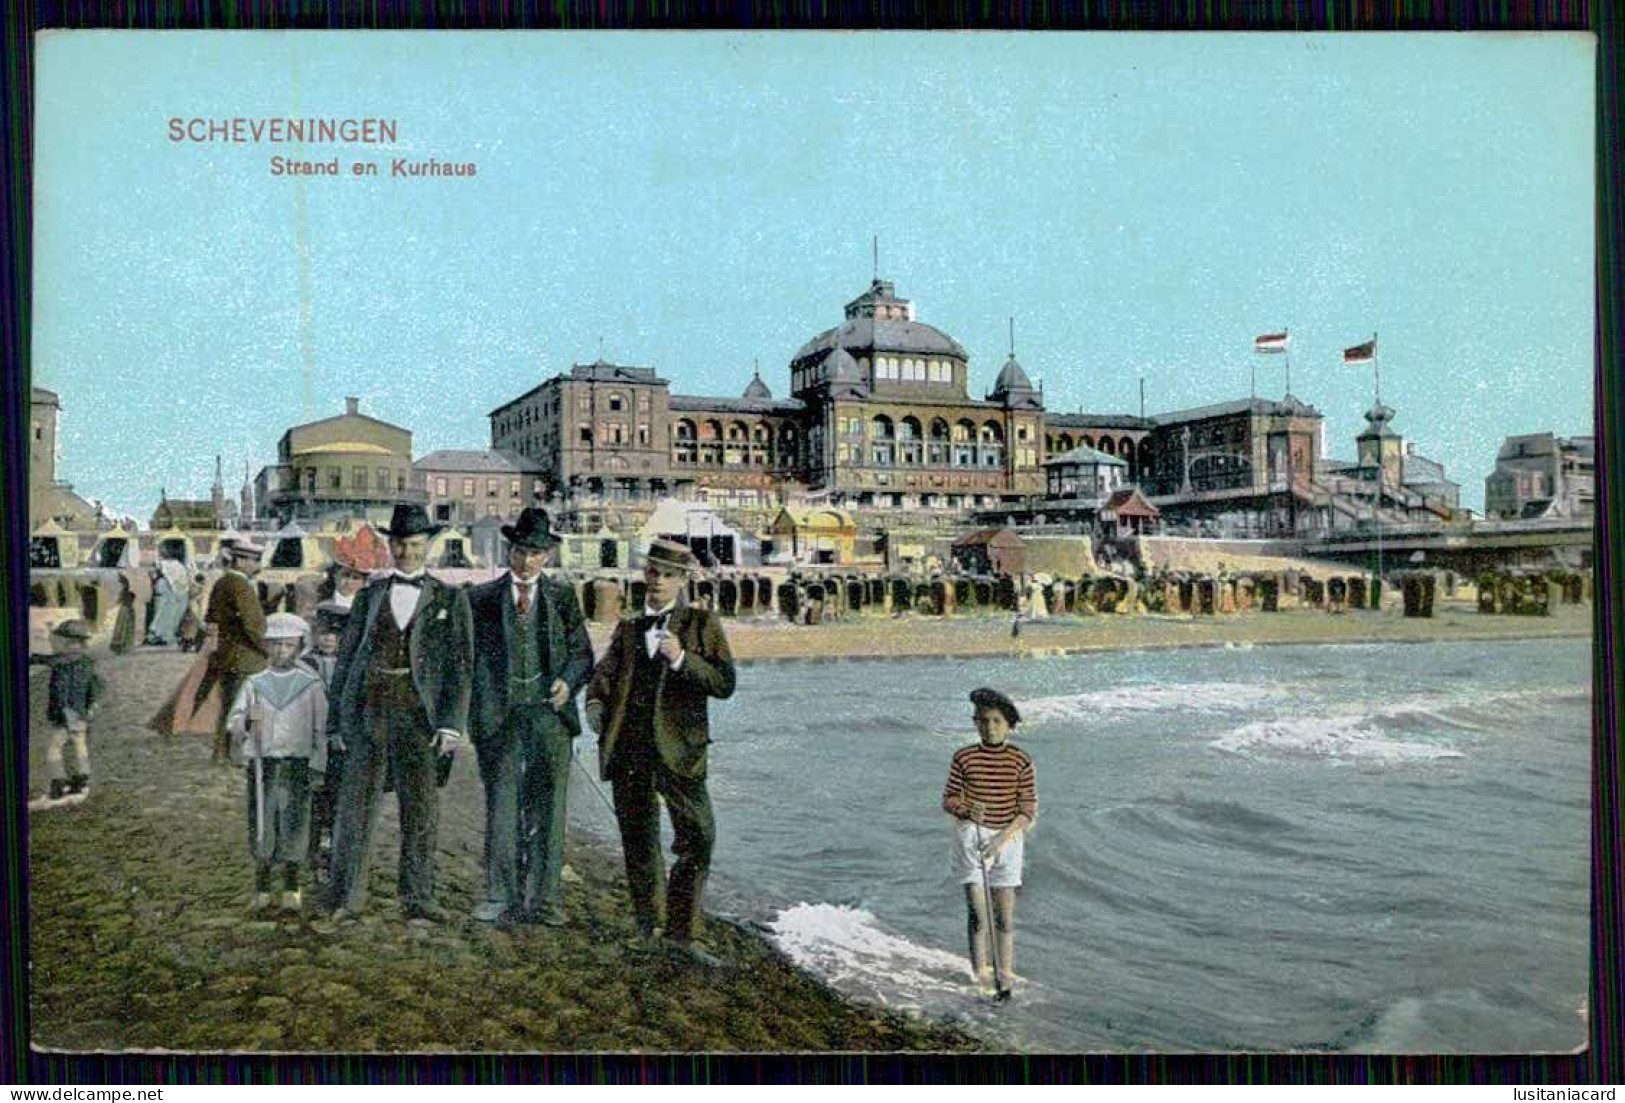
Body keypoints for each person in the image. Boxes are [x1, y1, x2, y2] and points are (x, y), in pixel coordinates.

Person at [317, 503, 472, 926]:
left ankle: (418, 896)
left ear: (428, 546)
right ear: (390, 545)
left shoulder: (449, 598)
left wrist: (451, 724)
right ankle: (348, 894)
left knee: (421, 810)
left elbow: (460, 667)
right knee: (355, 808)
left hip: (420, 719)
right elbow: (347, 662)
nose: (407, 552)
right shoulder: (369, 597)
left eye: (415, 544)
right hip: (370, 712)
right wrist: (337, 722)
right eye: (400, 544)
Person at [585, 538, 735, 966]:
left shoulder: (702, 624)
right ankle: (648, 926)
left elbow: (724, 684)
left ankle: (683, 932)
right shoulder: (629, 629)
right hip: (630, 750)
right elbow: (603, 678)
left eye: (667, 575)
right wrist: (596, 706)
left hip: (681, 752)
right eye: (652, 572)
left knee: (699, 837)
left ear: (682, 580)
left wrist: (682, 659)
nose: (658, 581)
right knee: (639, 841)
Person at [466, 507, 593, 925]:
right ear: (510, 550)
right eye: (520, 551)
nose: (526, 560)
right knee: (502, 806)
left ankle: (545, 900)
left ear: (548, 556)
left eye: (535, 552)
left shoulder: (561, 598)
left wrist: (568, 683)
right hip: (501, 719)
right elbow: (468, 659)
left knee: (550, 809)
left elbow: (582, 655)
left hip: (550, 719)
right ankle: (500, 895)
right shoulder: (482, 599)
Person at [227, 613, 329, 914]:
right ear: (266, 647)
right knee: (263, 821)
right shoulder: (256, 683)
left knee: (296, 822)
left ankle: (292, 885)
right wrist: (245, 722)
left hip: (298, 764)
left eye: (288, 646)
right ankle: (261, 885)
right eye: (275, 646)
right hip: (265, 763)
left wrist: (318, 764)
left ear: (299, 648)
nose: (281, 652)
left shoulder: (310, 684)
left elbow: (320, 728)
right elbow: (235, 719)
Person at [941, 687, 1038, 999]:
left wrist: (1000, 840)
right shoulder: (964, 757)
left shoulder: (1022, 760)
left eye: (996, 721)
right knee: (977, 914)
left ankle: (1004, 973)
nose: (990, 727)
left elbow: (1026, 812)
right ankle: (979, 974)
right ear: (975, 722)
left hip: (1007, 839)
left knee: (1004, 917)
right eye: (983, 721)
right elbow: (949, 799)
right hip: (972, 837)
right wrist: (967, 809)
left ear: (1009, 725)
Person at [200, 540, 268, 762]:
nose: (256, 564)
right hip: (248, 657)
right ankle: (239, 753)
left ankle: (221, 752)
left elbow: (210, 617)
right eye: (254, 560)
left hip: (226, 654)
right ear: (241, 560)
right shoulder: (242, 586)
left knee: (229, 705)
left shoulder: (222, 582)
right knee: (247, 707)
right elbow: (253, 625)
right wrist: (268, 650)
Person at [300, 601, 349, 882]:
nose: (329, 639)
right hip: (313, 742)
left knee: (338, 797)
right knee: (314, 797)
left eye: (336, 634)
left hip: (342, 743)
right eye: (324, 633)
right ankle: (313, 851)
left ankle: (334, 852)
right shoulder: (306, 663)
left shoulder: (352, 663)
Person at [44, 620, 104, 801]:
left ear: (69, 642)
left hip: (64, 713)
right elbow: (97, 686)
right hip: (79, 713)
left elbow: (58, 691)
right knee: (80, 744)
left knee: (54, 748)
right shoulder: (87, 663)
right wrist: (91, 704)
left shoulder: (60, 663)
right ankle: (82, 777)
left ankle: (58, 779)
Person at [146, 556, 190, 646]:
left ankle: (161, 636)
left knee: (165, 618)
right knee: (161, 617)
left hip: (166, 602)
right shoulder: (162, 580)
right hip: (163, 601)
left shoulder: (165, 580)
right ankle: (157, 636)